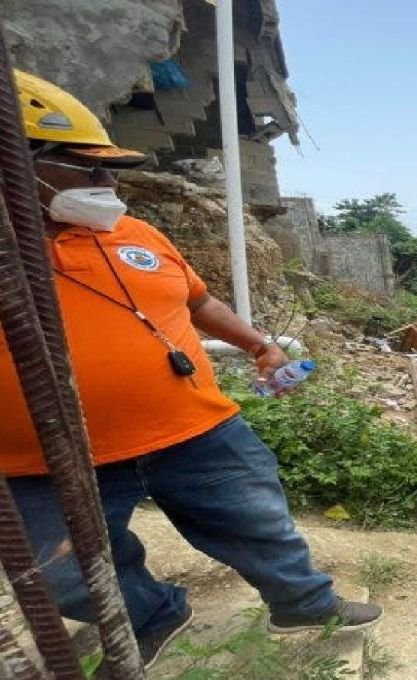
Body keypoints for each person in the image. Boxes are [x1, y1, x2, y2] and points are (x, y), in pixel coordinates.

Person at [1, 70, 381, 667]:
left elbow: (198, 302)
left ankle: (304, 604)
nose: (107, 182)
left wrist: (260, 345)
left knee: (259, 523)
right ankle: (152, 615)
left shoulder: (136, 234)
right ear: (15, 167)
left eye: (109, 169)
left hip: (195, 432)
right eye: (88, 168)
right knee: (62, 575)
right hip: (41, 462)